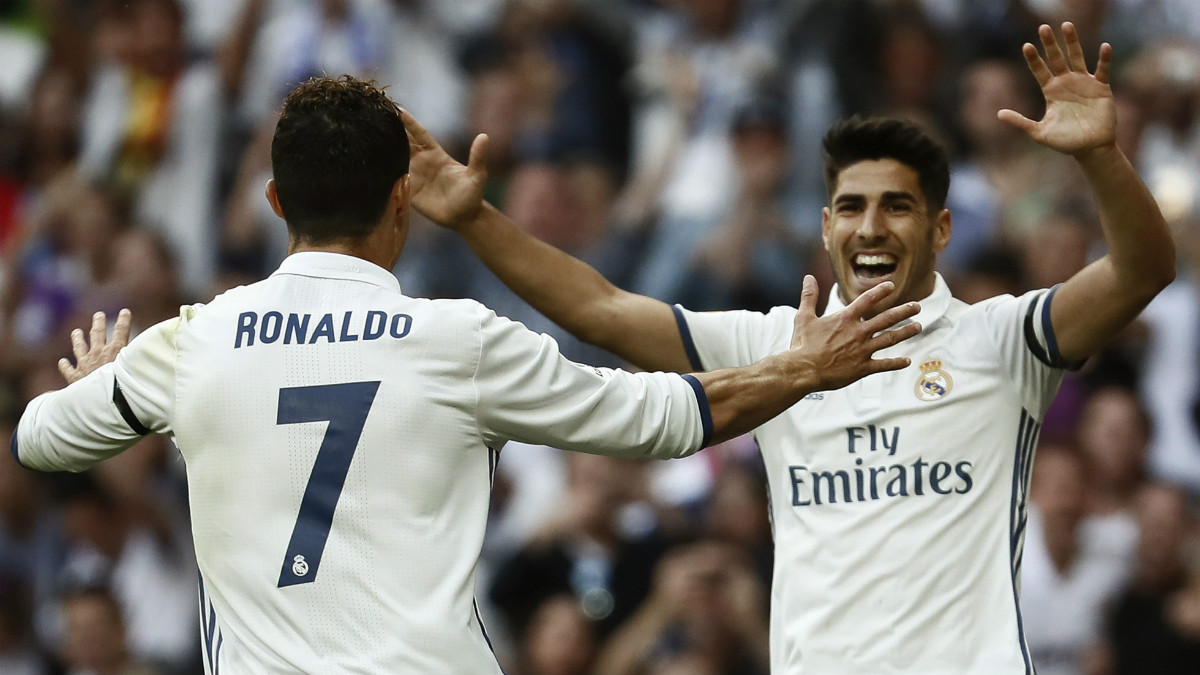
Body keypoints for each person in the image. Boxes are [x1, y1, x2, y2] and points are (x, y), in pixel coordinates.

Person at [9, 76, 922, 675]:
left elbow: (39, 439)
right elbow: (665, 419)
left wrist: (107, 385)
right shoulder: (458, 338)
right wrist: (802, 367)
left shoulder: (192, 342)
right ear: (401, 202)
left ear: (276, 201)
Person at [404, 22, 1176, 674]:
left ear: (941, 229)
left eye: (898, 207)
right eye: (852, 207)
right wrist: (478, 220)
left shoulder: (1004, 336)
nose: (871, 226)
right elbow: (601, 308)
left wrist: (1103, 159)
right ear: (826, 227)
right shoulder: (772, 344)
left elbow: (1145, 270)